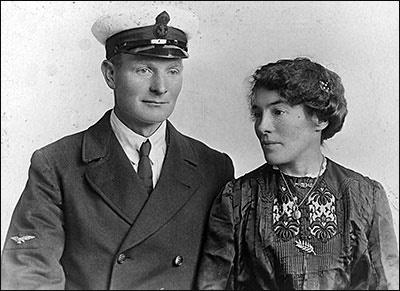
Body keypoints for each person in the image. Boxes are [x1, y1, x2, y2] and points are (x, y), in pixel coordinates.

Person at [1, 5, 234, 290]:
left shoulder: (214, 167)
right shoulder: (57, 164)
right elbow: (29, 270)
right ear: (110, 75)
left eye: (172, 71)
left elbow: (221, 277)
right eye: (144, 69)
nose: (161, 87)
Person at [196, 57, 399, 290]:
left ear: (320, 118)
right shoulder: (237, 198)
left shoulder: (365, 196)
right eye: (258, 114)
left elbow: (387, 283)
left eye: (278, 112)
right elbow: (212, 285)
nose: (262, 126)